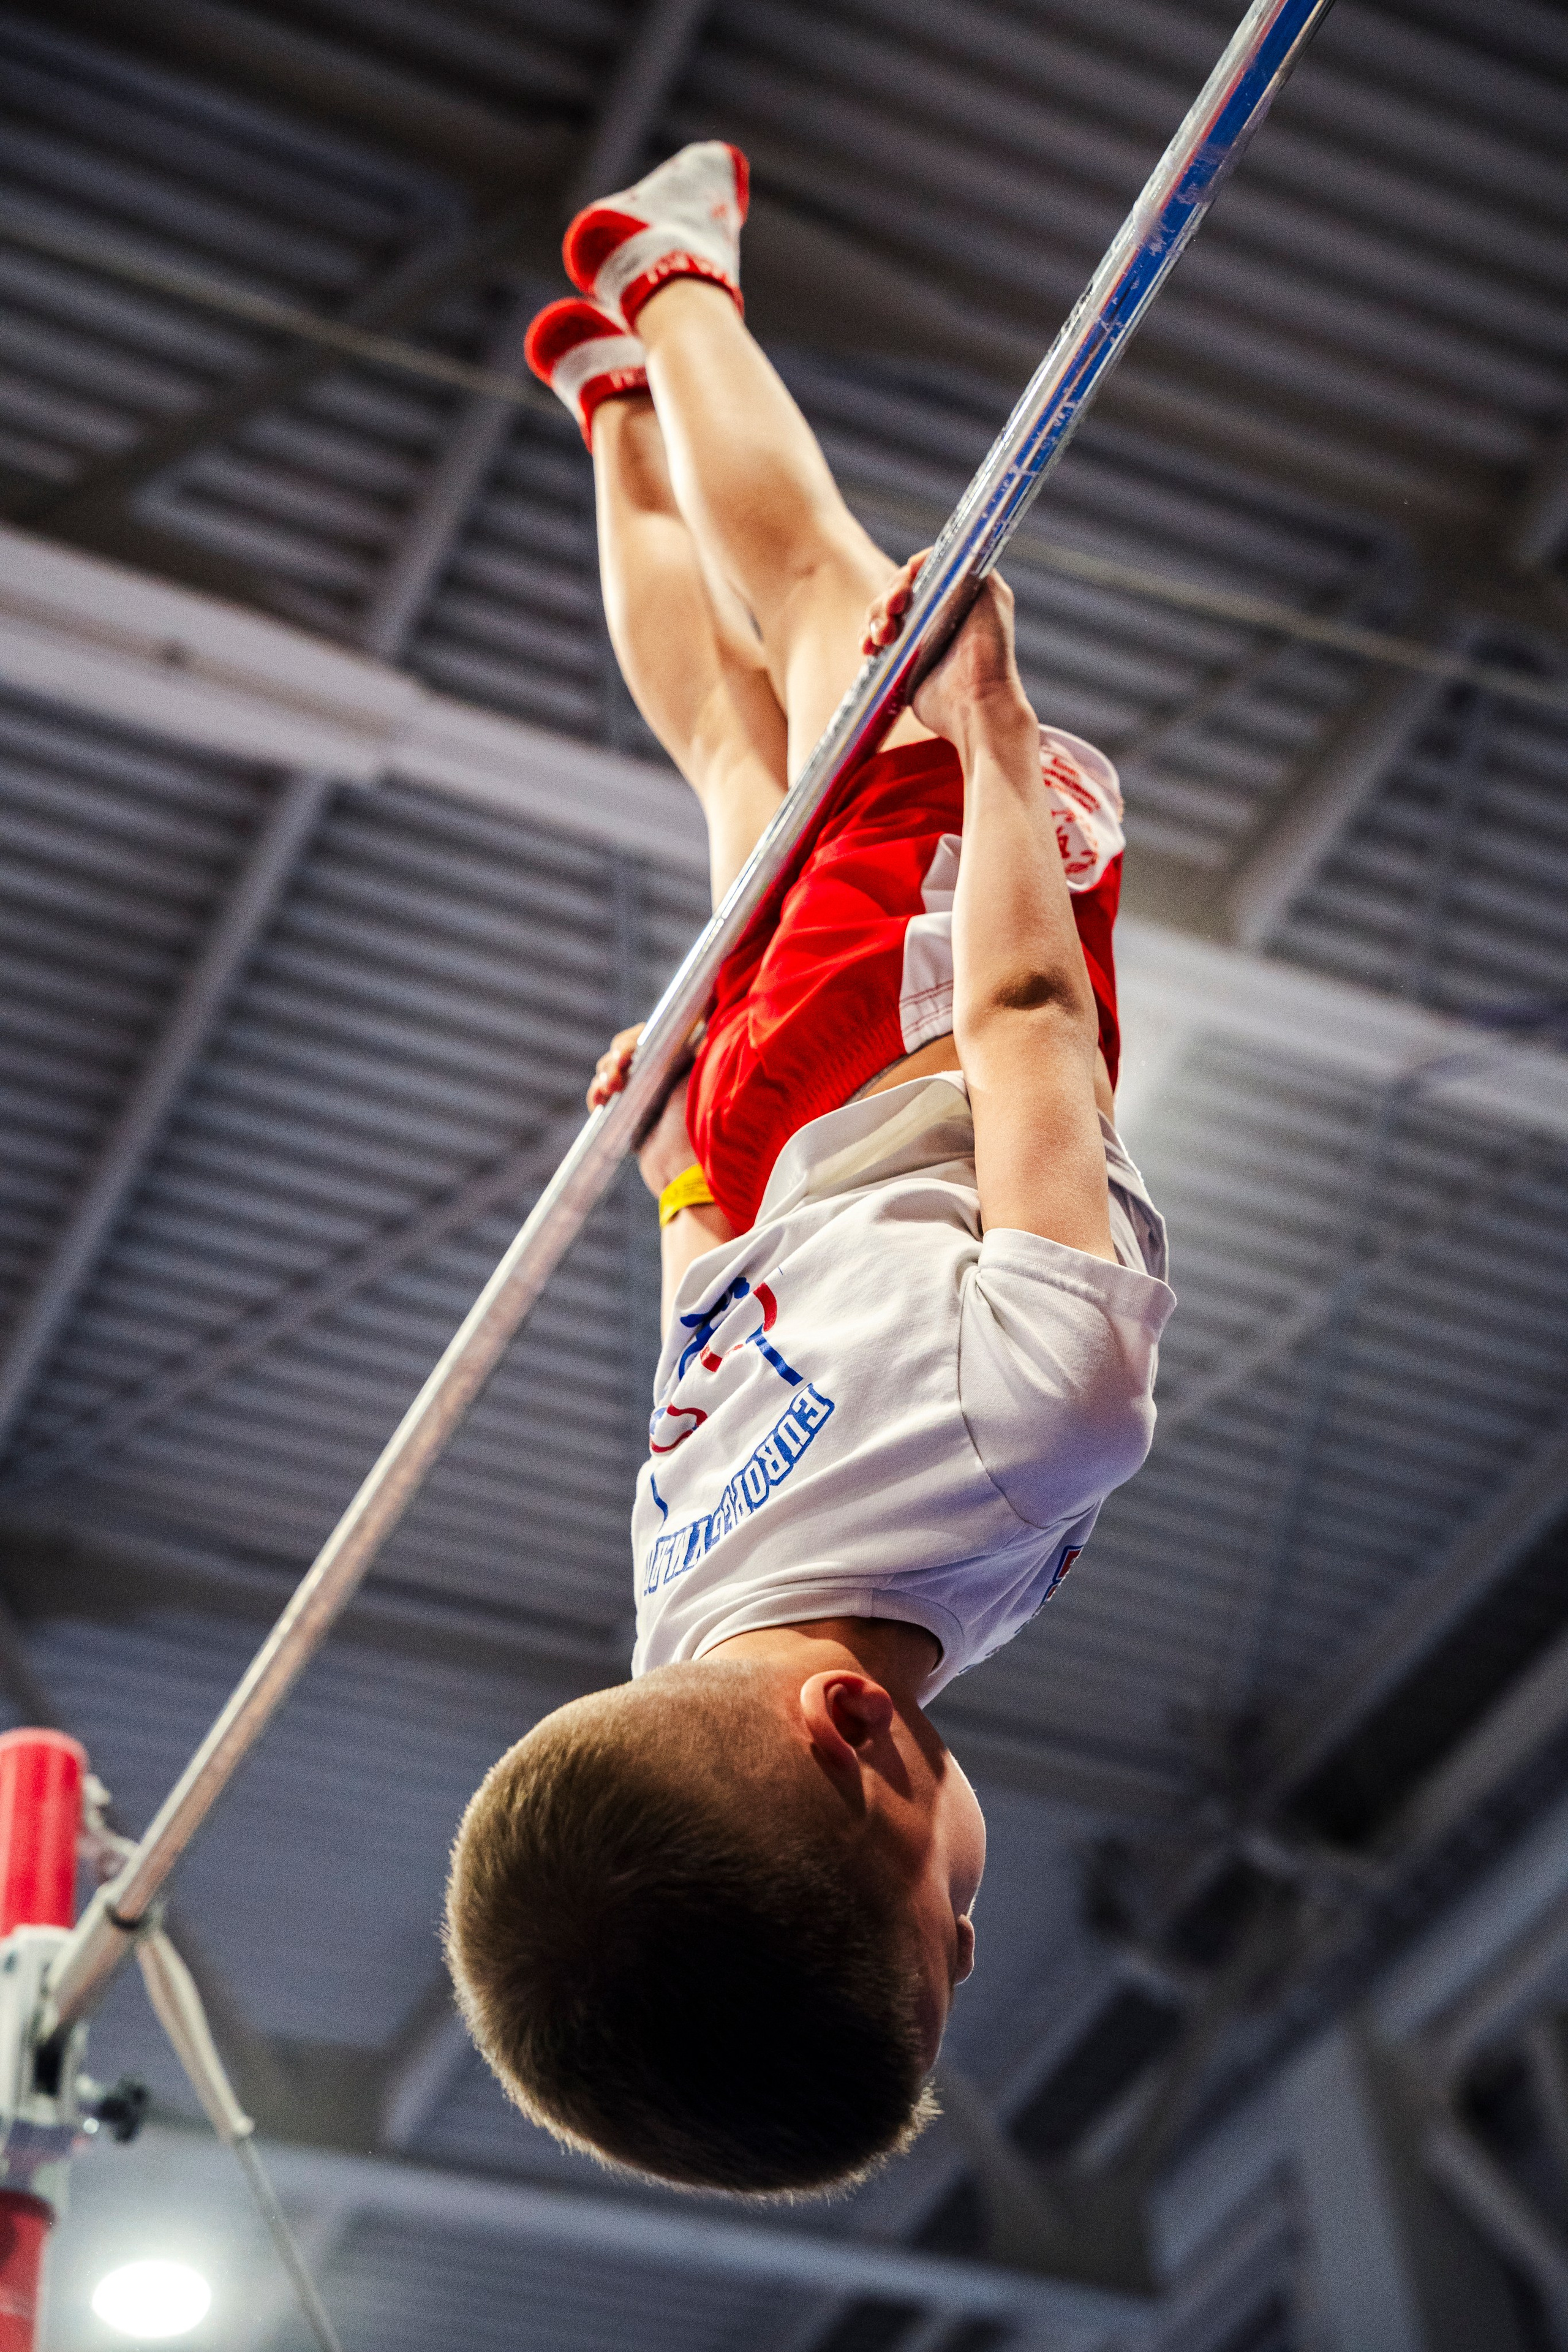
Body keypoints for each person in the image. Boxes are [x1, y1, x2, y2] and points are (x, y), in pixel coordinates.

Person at [444, 141, 1175, 2198]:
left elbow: (1034, 1026)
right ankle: (610, 396)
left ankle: (670, 284)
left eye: (941, 1951)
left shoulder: (1045, 1436)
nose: (969, 1926)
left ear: (852, 1744)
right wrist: (679, 1169)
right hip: (763, 1134)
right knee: (735, 759)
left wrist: (997, 738)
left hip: (920, 999)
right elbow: (710, 1328)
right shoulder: (684, 1612)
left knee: (837, 611)